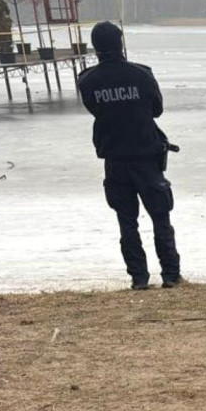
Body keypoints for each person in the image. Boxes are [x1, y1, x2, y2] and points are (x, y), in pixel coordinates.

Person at [78, 21, 182, 291]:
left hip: (115, 159)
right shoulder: (142, 75)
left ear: (95, 47)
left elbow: (93, 108)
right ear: (120, 43)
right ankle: (170, 275)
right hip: (146, 157)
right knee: (161, 218)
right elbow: (157, 110)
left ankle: (139, 277)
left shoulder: (88, 81)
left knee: (127, 223)